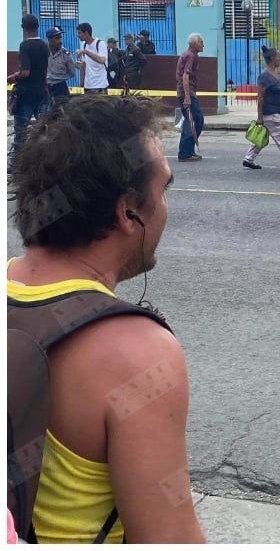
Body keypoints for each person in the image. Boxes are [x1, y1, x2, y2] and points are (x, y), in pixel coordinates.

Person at [7, 94, 205, 542]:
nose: (167, 208)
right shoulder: (134, 353)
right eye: (164, 189)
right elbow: (169, 538)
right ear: (126, 212)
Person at [243, 45, 280, 171]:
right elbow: (261, 97)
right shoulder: (264, 76)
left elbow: (278, 87)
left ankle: (248, 159)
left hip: (274, 111)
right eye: (279, 57)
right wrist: (260, 116)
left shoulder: (274, 74)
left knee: (261, 138)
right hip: (269, 113)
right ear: (272, 58)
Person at [9, 14, 50, 154]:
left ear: (23, 28)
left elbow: (25, 72)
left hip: (26, 94)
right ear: (37, 27)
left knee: (20, 132)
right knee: (44, 130)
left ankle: (16, 164)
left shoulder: (25, 46)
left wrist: (13, 76)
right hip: (43, 92)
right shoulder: (44, 46)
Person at [175, 33, 204, 162]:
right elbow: (185, 77)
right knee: (194, 120)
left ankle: (188, 150)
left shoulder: (190, 55)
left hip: (188, 92)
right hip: (187, 93)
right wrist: (187, 97)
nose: (203, 45)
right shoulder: (190, 56)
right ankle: (184, 153)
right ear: (194, 44)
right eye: (201, 42)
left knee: (195, 120)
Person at [44, 26, 75, 106]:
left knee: (63, 111)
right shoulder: (43, 51)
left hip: (60, 87)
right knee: (45, 112)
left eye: (60, 38)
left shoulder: (65, 54)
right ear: (50, 40)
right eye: (57, 38)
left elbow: (72, 72)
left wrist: (59, 77)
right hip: (45, 87)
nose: (60, 41)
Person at [75, 22, 109, 94]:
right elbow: (83, 65)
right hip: (88, 86)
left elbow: (102, 60)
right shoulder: (83, 45)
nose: (78, 35)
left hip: (100, 86)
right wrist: (81, 83)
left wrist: (86, 52)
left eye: (79, 33)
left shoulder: (100, 44)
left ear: (86, 33)